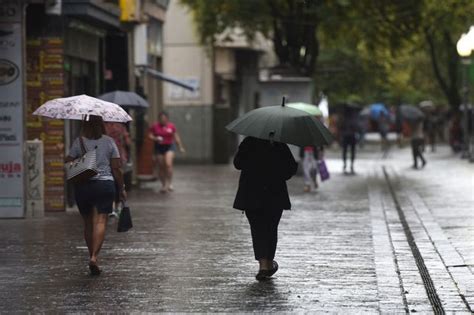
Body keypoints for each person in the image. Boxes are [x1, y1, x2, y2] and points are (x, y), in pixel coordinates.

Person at [65, 115, 126, 276]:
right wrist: (122, 188)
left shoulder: (79, 142)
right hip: (104, 185)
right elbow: (117, 168)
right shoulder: (109, 142)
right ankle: (94, 257)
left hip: (83, 186)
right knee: (100, 220)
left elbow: (69, 162)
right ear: (101, 125)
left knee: (87, 223)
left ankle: (90, 254)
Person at [233, 136, 298, 281]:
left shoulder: (248, 142)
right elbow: (291, 169)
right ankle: (268, 263)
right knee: (270, 228)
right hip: (274, 194)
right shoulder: (279, 144)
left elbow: (237, 163)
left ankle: (263, 265)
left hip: (251, 194)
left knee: (257, 229)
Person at [148, 111, 185, 193]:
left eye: (164, 119)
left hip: (169, 146)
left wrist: (180, 147)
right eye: (161, 119)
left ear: (167, 119)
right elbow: (150, 135)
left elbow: (176, 136)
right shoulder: (155, 126)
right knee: (161, 166)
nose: (163, 120)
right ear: (159, 119)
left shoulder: (171, 126)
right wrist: (155, 138)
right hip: (159, 147)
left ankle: (169, 183)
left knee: (168, 164)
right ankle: (164, 184)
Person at [105, 122, 131, 217]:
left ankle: (111, 207)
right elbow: (128, 142)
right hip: (119, 156)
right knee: (118, 180)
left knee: (110, 180)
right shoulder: (121, 127)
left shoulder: (104, 126)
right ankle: (117, 206)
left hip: (107, 156)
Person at [339, 108, 359, 174]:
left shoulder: (343, 119)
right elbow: (356, 128)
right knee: (352, 151)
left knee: (345, 151)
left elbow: (340, 128)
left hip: (345, 137)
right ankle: (351, 165)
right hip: (352, 137)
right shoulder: (354, 119)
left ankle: (345, 165)